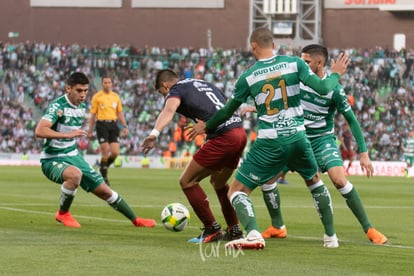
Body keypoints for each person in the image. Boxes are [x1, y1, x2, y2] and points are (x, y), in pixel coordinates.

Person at [188, 27, 350, 249]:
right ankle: (331, 239)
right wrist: (336, 73)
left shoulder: (248, 77)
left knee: (236, 190)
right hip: (299, 137)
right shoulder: (295, 63)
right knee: (314, 182)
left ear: (253, 46)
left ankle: (254, 234)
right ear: (273, 45)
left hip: (270, 141)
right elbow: (323, 88)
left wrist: (206, 125)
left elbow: (226, 112)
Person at [259, 44, 387, 244]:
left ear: (319, 63)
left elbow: (351, 120)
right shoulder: (296, 81)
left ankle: (369, 228)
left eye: (306, 61)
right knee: (267, 180)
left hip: (321, 140)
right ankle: (277, 226)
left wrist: (364, 153)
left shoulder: (334, 89)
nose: (302, 64)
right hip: (296, 137)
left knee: (339, 180)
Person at [35, 72, 155, 229]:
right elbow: (39, 131)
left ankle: (136, 220)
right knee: (75, 175)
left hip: (73, 156)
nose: (83, 94)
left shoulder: (82, 105)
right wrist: (67, 135)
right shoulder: (58, 106)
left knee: (105, 191)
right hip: (52, 159)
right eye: (79, 90)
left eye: (85, 90)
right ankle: (63, 213)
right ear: (68, 89)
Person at [141, 69, 246, 243]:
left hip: (223, 137)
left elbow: (168, 111)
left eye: (161, 93)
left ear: (165, 85)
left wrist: (154, 133)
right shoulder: (203, 83)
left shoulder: (176, 90)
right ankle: (234, 230)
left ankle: (212, 229)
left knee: (187, 181)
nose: (164, 96)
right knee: (219, 182)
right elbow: (226, 106)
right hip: (239, 132)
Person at [88, 76, 128, 186]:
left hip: (113, 124)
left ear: (112, 84)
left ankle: (102, 168)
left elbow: (119, 113)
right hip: (101, 124)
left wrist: (125, 126)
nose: (107, 84)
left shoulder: (116, 97)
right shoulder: (97, 97)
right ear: (102, 84)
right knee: (105, 150)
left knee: (115, 153)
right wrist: (90, 130)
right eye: (105, 82)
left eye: (109, 82)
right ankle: (104, 176)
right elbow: (92, 115)